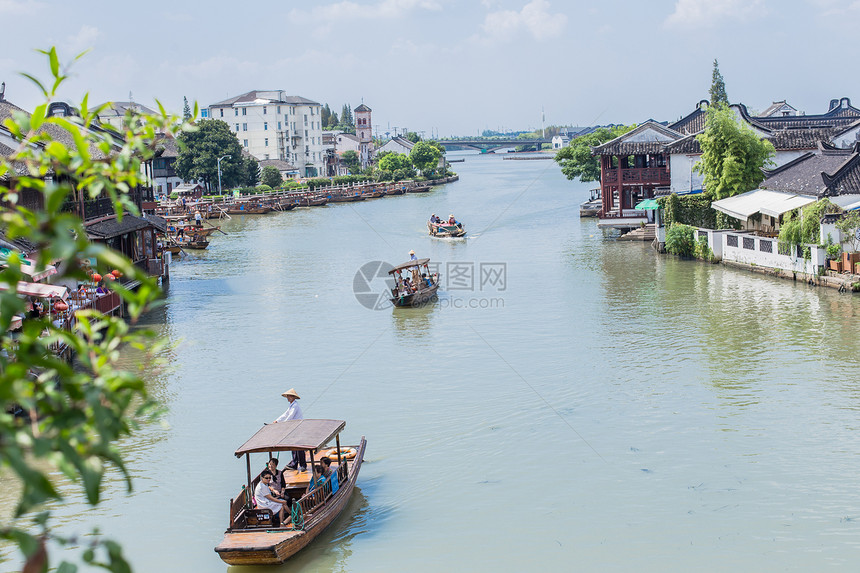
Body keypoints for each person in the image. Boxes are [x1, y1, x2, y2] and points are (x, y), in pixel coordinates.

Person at [274, 388, 306, 471]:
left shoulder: (295, 406)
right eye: (287, 396)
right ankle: (294, 463)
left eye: (289, 396)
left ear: (293, 397)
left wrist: (284, 424)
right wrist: (277, 421)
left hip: (297, 428)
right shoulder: (291, 405)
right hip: (293, 428)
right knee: (293, 447)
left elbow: (290, 416)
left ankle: (302, 465)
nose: (287, 398)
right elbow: (285, 414)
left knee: (299, 447)